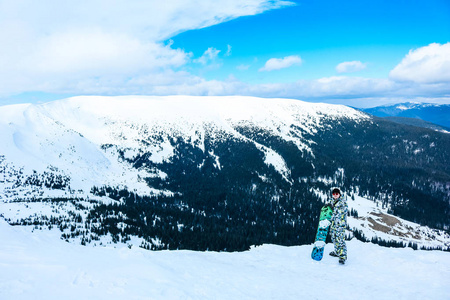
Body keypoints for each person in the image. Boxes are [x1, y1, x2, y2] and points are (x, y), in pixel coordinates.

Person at [328, 187, 348, 264]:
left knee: (340, 240)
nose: (335, 195)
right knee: (334, 238)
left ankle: (343, 256)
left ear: (339, 194)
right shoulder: (331, 201)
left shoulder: (342, 202)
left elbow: (339, 213)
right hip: (333, 224)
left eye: (337, 194)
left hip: (340, 225)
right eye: (334, 194)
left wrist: (331, 213)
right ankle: (337, 252)